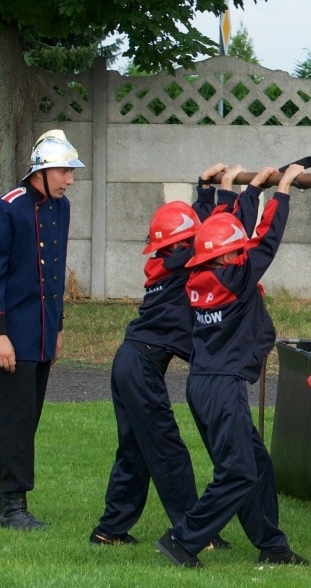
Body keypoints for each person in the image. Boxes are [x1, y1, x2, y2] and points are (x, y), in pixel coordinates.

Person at [156, 164, 310, 569]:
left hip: (203, 385)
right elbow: (265, 241)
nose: (240, 251)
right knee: (239, 472)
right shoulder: (235, 279)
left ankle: (272, 546)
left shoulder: (199, 276)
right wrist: (284, 191)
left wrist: (248, 190)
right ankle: (183, 540)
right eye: (235, 249)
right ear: (226, 254)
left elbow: (222, 229)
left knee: (256, 465)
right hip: (223, 389)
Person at [90, 163, 232, 546]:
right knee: (168, 451)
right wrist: (227, 196)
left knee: (136, 450)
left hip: (129, 362)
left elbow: (196, 230)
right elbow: (212, 235)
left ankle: (110, 530)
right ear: (182, 246)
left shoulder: (163, 262)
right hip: (141, 367)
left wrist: (204, 189)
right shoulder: (183, 262)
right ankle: (194, 532)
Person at [0, 129, 84, 530]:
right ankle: (11, 505)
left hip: (41, 334)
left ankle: (15, 496)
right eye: (63, 171)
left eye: (71, 172)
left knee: (29, 417)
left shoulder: (62, 208)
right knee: (16, 420)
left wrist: (57, 328)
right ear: (41, 171)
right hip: (12, 333)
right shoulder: (8, 209)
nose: (69, 179)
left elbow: (54, 275)